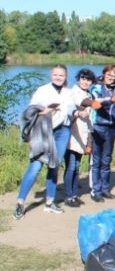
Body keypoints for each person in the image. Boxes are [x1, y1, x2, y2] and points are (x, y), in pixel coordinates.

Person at [13, 65, 76, 219]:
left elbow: (73, 111)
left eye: (61, 75)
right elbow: (29, 112)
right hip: (43, 132)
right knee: (35, 166)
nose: (58, 77)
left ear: (66, 76)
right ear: (51, 75)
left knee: (54, 166)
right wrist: (44, 111)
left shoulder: (69, 92)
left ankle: (50, 202)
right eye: (55, 74)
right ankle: (20, 203)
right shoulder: (43, 90)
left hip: (63, 131)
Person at [87, 65, 115, 203]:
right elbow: (97, 101)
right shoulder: (96, 87)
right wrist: (111, 100)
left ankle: (105, 189)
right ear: (104, 74)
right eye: (108, 75)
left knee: (107, 159)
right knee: (96, 160)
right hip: (97, 126)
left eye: (113, 76)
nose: (110, 78)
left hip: (111, 128)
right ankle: (95, 191)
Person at [63, 68, 95, 208]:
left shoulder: (89, 95)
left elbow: (89, 121)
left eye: (88, 79)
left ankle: (74, 194)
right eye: (83, 78)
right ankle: (68, 196)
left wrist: (89, 140)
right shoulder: (72, 92)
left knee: (76, 167)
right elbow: (80, 101)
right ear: (78, 79)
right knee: (70, 166)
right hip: (71, 135)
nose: (85, 81)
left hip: (82, 136)